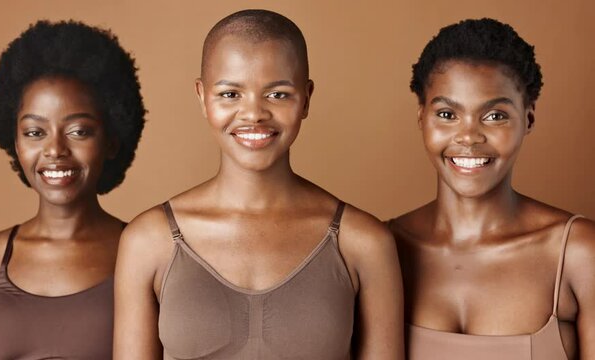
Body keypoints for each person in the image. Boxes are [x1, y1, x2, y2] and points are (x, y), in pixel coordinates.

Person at [114, 9, 403, 360]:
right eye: (230, 94)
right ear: (202, 97)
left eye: (277, 94)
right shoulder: (148, 241)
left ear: (307, 98)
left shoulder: (364, 243)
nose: (253, 114)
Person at [389, 18, 595, 360]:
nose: (468, 136)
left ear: (528, 119)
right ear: (422, 117)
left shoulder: (580, 253)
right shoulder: (384, 248)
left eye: (495, 116)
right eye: (447, 114)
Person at [0, 20, 145, 359]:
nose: (55, 150)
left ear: (111, 140)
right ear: (14, 142)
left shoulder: (141, 252)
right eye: (35, 133)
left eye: (79, 131)